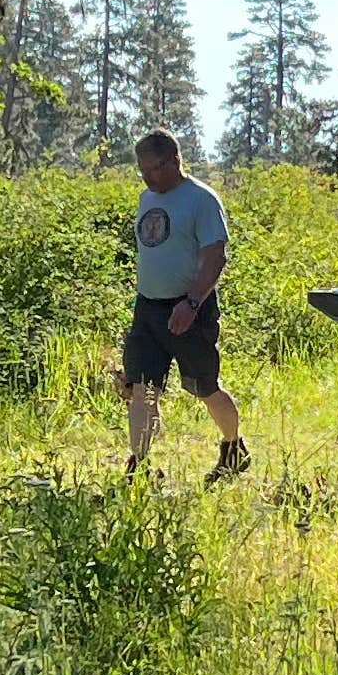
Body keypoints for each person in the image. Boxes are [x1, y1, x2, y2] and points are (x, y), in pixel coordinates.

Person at [120, 130, 248, 481]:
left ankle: (233, 446)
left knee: (205, 388)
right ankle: (140, 465)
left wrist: (191, 303)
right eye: (142, 170)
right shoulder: (148, 198)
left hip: (190, 311)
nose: (147, 177)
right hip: (148, 310)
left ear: (175, 161)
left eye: (153, 169)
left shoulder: (201, 200)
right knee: (142, 389)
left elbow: (215, 257)